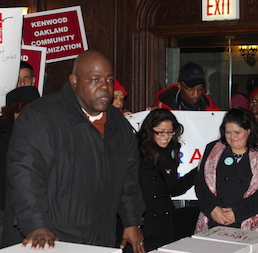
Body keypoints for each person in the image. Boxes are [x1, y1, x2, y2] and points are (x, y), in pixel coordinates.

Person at [1, 50, 146, 253]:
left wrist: (132, 221)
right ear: (74, 81)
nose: (105, 87)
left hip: (99, 239)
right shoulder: (41, 116)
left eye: (109, 80)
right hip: (50, 239)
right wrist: (36, 225)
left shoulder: (119, 125)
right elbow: (24, 175)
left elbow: (128, 179)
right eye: (95, 80)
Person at [194, 107, 258, 233]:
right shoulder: (212, 150)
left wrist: (237, 212)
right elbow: (200, 184)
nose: (232, 137)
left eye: (237, 132)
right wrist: (212, 208)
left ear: (249, 131)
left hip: (246, 221)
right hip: (214, 220)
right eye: (228, 132)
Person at [137, 109, 197, 251]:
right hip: (141, 222)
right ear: (149, 130)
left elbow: (174, 188)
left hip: (163, 225)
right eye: (161, 132)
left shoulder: (170, 151)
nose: (166, 137)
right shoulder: (135, 151)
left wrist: (197, 172)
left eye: (170, 132)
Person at [0, 86, 41, 246]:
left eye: (33, 111)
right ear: (12, 114)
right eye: (22, 111)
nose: (28, 117)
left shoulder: (42, 137)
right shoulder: (4, 141)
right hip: (8, 215)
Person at [149, 62, 220, 111]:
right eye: (190, 89)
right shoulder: (163, 108)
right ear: (179, 86)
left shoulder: (213, 109)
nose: (196, 94)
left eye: (200, 89)